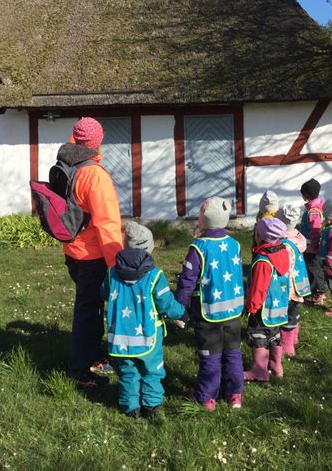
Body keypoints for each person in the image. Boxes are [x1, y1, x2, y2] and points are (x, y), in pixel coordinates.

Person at [58, 117, 123, 388]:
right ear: (97, 142)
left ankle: (95, 356)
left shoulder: (64, 165)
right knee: (87, 311)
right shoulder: (94, 175)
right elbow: (107, 223)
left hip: (72, 251)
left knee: (92, 307)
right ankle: (80, 371)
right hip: (93, 255)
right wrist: (117, 263)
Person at [102, 222, 186, 418]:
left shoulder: (111, 273)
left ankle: (130, 407)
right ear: (148, 248)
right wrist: (181, 313)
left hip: (120, 335)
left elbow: (104, 293)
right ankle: (151, 405)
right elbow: (166, 303)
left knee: (128, 371)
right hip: (149, 335)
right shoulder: (155, 276)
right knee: (152, 370)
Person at [174, 197, 244, 410]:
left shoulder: (198, 248)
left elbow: (187, 281)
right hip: (234, 311)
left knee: (210, 355)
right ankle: (234, 395)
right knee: (233, 352)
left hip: (209, 313)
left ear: (203, 220)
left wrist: (179, 309)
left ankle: (206, 398)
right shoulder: (235, 244)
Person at [244, 218, 290, 382]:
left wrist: (251, 307)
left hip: (262, 308)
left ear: (259, 236)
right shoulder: (282, 252)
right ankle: (276, 365)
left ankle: (259, 370)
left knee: (259, 336)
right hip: (279, 307)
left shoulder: (263, 261)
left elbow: (258, 288)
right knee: (274, 333)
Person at [277, 204, 311, 356]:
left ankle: (287, 346)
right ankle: (294, 337)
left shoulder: (282, 244)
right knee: (294, 312)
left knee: (286, 315)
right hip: (298, 285)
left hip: (286, 287)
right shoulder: (299, 238)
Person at [299, 178, 326, 305]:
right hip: (311, 244)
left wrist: (314, 245)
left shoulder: (313, 211)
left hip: (312, 245)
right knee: (312, 266)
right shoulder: (317, 205)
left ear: (306, 196)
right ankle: (314, 289)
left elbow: (315, 230)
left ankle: (319, 293)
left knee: (314, 268)